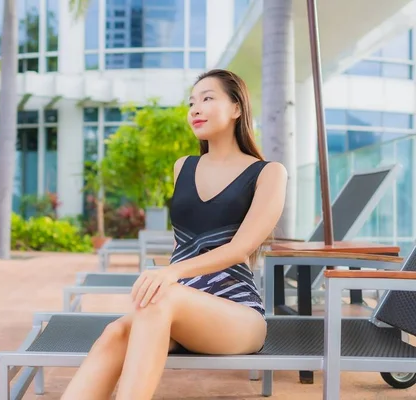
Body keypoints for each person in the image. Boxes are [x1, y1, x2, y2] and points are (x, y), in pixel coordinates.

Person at [61, 69, 288, 400]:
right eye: (191, 102)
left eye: (207, 98)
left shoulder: (268, 173)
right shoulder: (184, 167)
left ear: (237, 107)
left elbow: (240, 249)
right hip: (173, 309)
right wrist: (169, 277)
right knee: (114, 333)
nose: (195, 109)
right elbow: (183, 243)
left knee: (161, 296)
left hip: (236, 315)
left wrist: (170, 273)